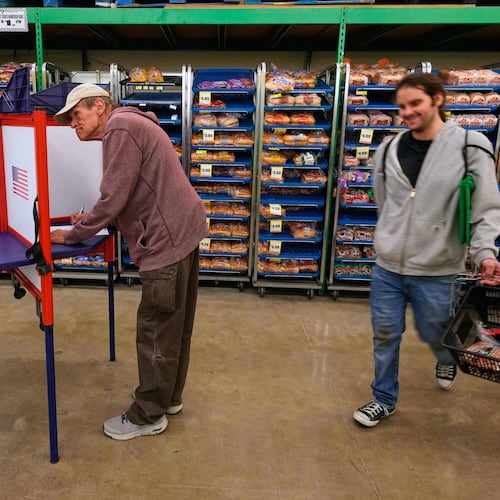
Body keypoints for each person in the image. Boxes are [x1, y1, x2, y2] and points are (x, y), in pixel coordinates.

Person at [50, 84, 208, 440]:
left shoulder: (120, 128)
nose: (73, 125)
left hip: (165, 241)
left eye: (77, 115)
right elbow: (129, 193)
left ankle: (148, 414)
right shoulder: (133, 124)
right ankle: (169, 398)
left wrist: (73, 234)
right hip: (184, 230)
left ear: (100, 106)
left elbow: (114, 197)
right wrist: (90, 218)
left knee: (154, 329)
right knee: (175, 326)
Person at [353, 72, 500, 428]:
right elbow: (385, 203)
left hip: (438, 268)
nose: (407, 112)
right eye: (402, 106)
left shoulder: (470, 145)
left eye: (415, 103)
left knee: (436, 332)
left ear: (438, 99)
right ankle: (383, 398)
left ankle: (446, 357)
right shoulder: (388, 148)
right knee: (385, 334)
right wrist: (387, 237)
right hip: (388, 266)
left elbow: (485, 206)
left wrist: (485, 252)